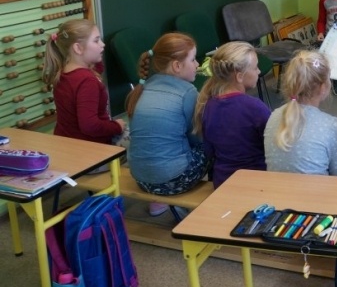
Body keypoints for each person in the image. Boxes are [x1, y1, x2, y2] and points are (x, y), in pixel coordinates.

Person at [125, 33, 210, 218]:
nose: (197, 64)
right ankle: (211, 205)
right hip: (175, 180)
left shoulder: (142, 88)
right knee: (210, 143)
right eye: (193, 59)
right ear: (177, 66)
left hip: (141, 178)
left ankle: (157, 204)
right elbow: (196, 136)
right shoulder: (188, 92)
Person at [193, 41, 271, 188]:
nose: (259, 71)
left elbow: (209, 150)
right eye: (255, 68)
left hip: (223, 183)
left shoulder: (207, 104)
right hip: (257, 183)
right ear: (239, 76)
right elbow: (273, 148)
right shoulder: (255, 108)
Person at [43, 19, 126, 144]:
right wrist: (116, 126)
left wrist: (94, 58)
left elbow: (97, 69)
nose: (102, 44)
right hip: (89, 146)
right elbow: (89, 126)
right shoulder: (87, 81)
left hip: (66, 141)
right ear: (78, 48)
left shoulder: (63, 73)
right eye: (96, 40)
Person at [263, 50, 337, 176]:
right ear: (323, 87)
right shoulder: (332, 125)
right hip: (315, 195)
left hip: (276, 193)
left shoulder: (273, 116)